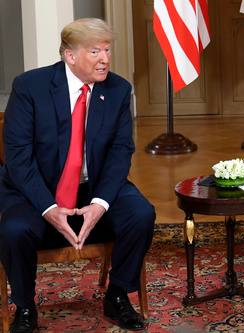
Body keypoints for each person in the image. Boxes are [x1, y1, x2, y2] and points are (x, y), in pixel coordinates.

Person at [0, 18, 155, 332]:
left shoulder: (118, 90)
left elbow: (119, 153)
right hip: (35, 190)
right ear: (70, 55)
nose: (105, 59)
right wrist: (48, 208)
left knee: (140, 214)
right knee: (14, 229)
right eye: (95, 51)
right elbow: (18, 159)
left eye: (108, 50)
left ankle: (118, 294)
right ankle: (26, 307)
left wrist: (99, 204)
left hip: (91, 187)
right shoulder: (30, 87)